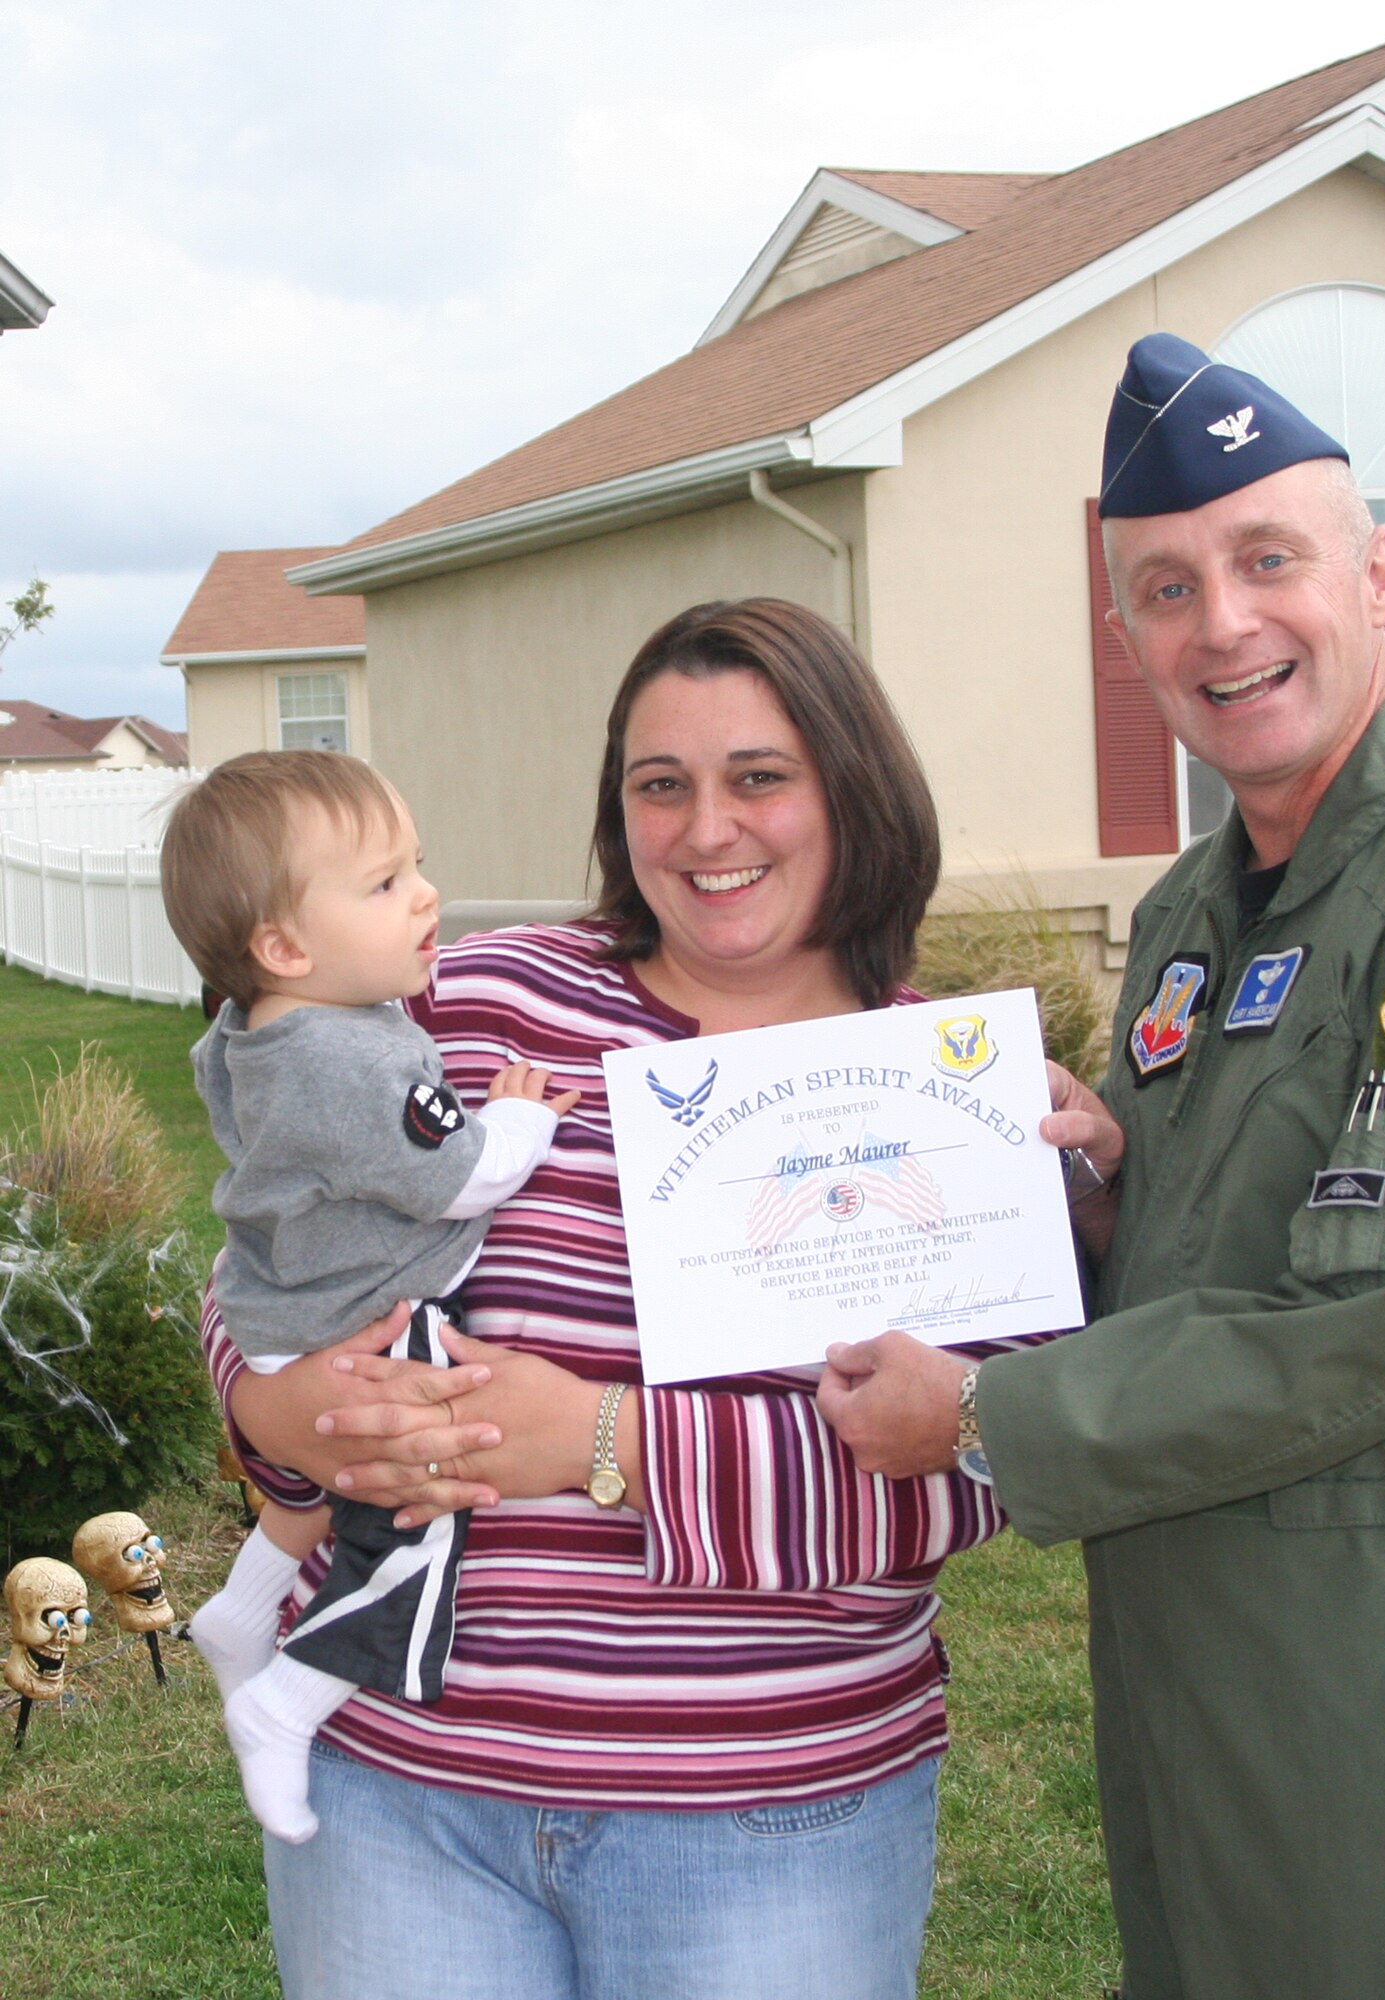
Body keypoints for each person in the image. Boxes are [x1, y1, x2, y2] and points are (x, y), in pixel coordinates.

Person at [818, 334, 1385, 2000]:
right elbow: (1223, 1249)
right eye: (1162, 588)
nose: (1220, 623)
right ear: (1125, 635)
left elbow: (1384, 1325)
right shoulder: (1195, 914)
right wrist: (1080, 1200)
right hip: (1194, 1665)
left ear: (1373, 576)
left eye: (1265, 562)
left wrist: (988, 1420)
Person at [196, 599, 1056, 2000]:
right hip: (397, 1792)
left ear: (856, 792)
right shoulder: (478, 1004)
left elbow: (979, 1461)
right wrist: (277, 1404)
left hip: (768, 1814)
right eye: (662, 786)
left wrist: (598, 1439)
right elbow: (271, 1238)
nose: (707, 830)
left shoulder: (938, 1089)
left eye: (758, 778)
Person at [161, 751, 577, 1845]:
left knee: (317, 1491)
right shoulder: (352, 1060)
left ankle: (242, 1610)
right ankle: (286, 1702)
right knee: (411, 1512)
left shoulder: (253, 1030)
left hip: (285, 1306)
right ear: (288, 948)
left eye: (417, 867)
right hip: (364, 1309)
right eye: (386, 884)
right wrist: (518, 1116)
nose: (425, 895)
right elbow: (468, 1172)